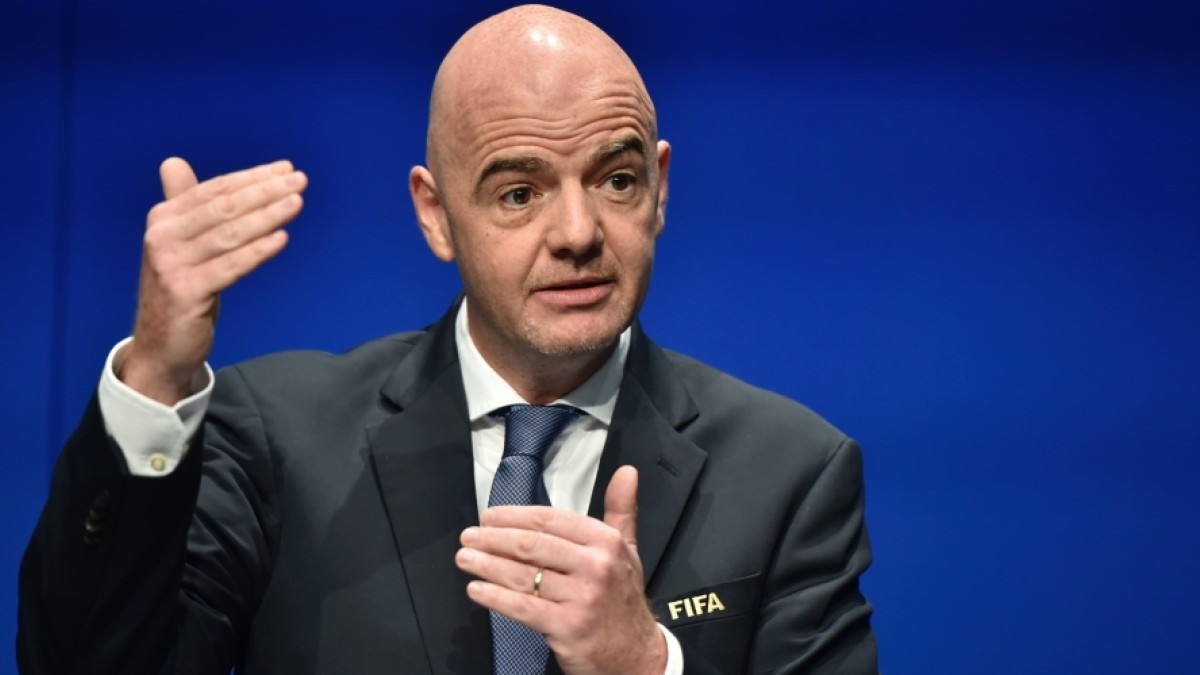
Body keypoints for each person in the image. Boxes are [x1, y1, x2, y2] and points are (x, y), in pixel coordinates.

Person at [18, 5, 878, 674]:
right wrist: (157, 375)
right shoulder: (278, 438)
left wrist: (646, 664)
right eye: (518, 193)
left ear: (658, 188)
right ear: (435, 214)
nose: (578, 232)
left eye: (614, 180)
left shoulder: (790, 472)